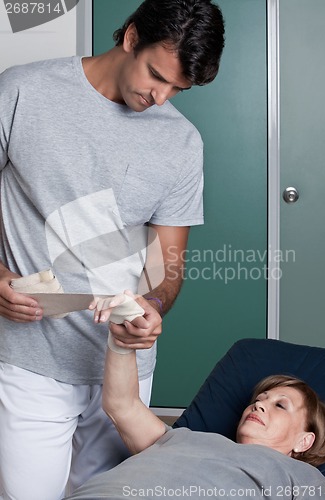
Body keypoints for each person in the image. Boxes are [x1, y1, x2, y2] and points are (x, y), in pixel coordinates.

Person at [0, 1, 225, 498]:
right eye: (156, 76)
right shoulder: (20, 90)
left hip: (122, 368)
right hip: (31, 357)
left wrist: (155, 304)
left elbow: (168, 269)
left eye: (178, 90)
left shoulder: (184, 143)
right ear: (130, 37)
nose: (161, 98)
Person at [64, 294, 325, 499]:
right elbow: (122, 405)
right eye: (260, 398)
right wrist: (122, 341)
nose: (260, 404)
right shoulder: (179, 438)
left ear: (304, 440)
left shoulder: (301, 478)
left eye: (280, 405)